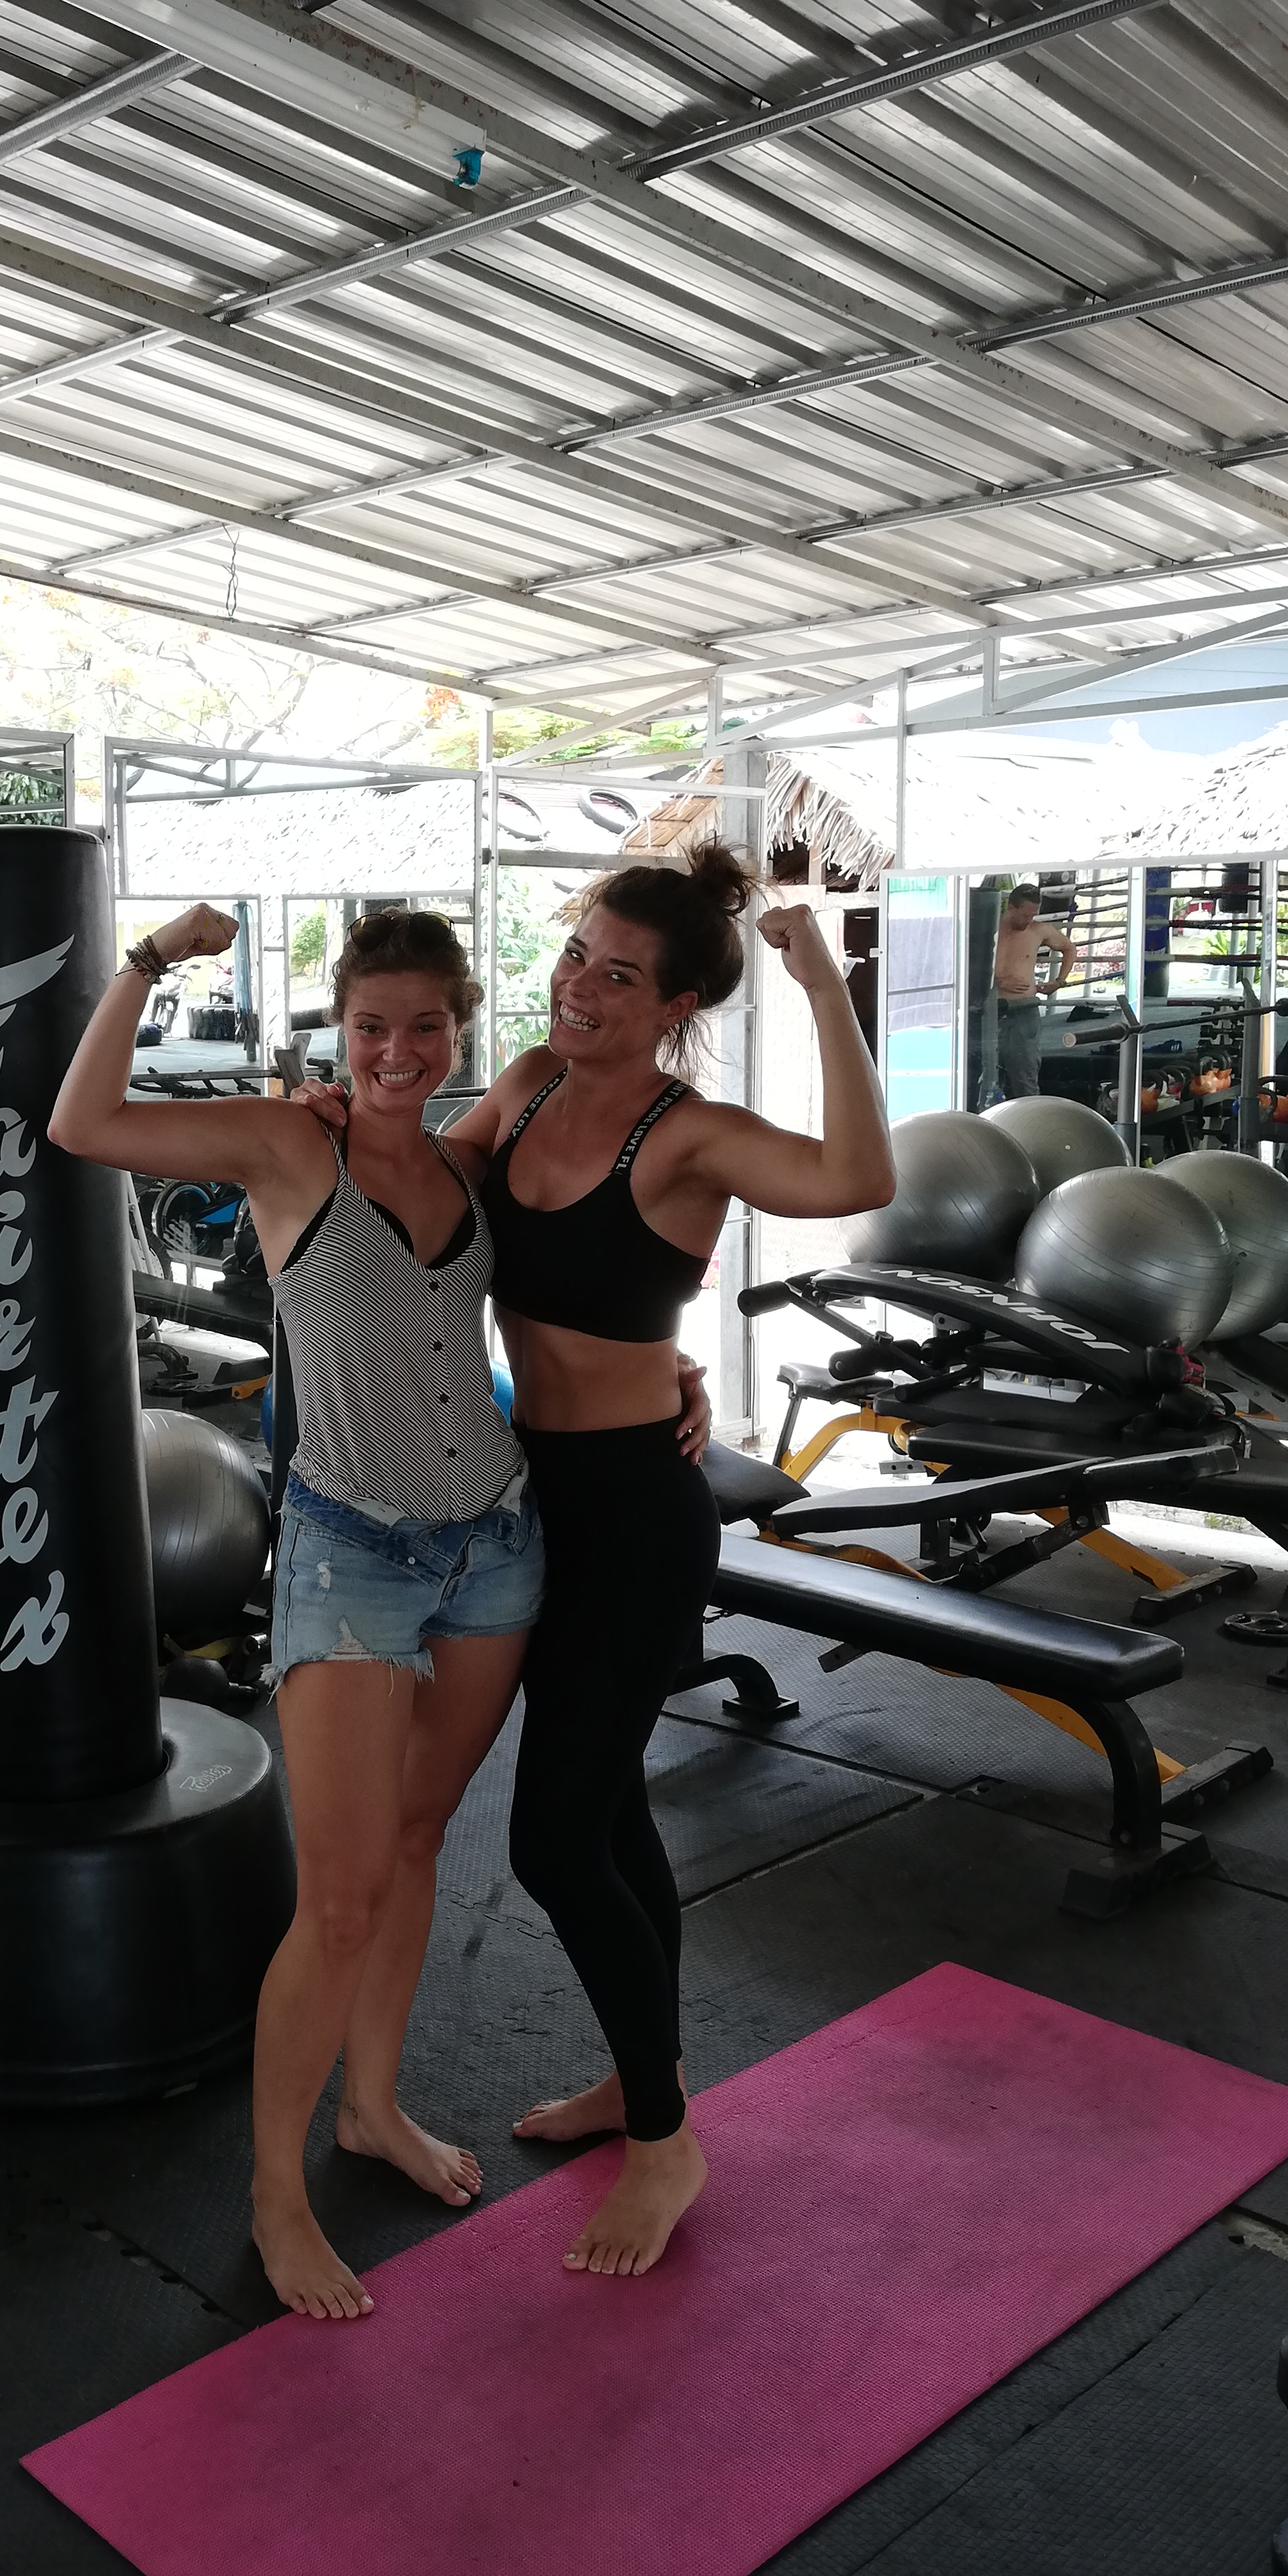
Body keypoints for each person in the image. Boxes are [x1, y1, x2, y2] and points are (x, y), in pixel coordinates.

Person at [51, 902, 702, 2324]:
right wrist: (148, 963)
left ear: (457, 1029)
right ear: (336, 1031)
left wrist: (672, 1370)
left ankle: (372, 2109)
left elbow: (584, 1281)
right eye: (369, 1027)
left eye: (423, 1027)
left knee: (415, 1843)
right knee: (337, 1899)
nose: (396, 1051)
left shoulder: (471, 1160)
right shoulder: (291, 1147)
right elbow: (83, 1121)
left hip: (497, 1545)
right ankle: (274, 2193)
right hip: (349, 1556)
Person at [439, 848, 892, 2280]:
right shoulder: (523, 1084)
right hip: (536, 1497)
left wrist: (823, 984)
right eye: (578, 953)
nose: (578, 986)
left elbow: (855, 1176)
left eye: (618, 975)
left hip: (638, 1513)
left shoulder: (686, 1136)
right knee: (609, 1808)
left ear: (676, 1004)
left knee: (549, 1839)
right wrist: (342, 1105)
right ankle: (649, 2080)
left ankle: (662, 2141)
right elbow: (422, 1201)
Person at [983, 884, 1074, 1105]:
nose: (1029, 921)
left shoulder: (1038, 930)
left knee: (1026, 1080)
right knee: (985, 1080)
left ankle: (1031, 1122)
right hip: (991, 1011)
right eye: (1025, 915)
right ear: (1011, 908)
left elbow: (1069, 949)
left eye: (1033, 915)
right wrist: (997, 982)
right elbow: (966, 965)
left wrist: (1059, 982)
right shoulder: (988, 929)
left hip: (1024, 1010)